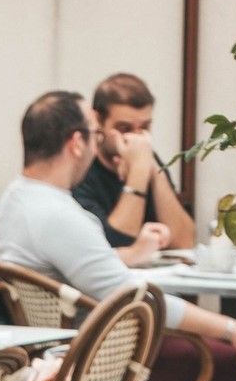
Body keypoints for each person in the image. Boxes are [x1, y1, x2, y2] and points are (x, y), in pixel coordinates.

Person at [0, 90, 236, 381]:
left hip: (73, 352)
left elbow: (89, 269)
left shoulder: (15, 200)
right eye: (96, 136)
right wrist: (232, 329)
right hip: (105, 364)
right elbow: (138, 298)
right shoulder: (57, 215)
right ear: (76, 143)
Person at [73, 72, 196, 253]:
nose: (137, 138)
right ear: (97, 120)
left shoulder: (147, 157)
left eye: (145, 128)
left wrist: (153, 170)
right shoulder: (80, 167)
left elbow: (184, 242)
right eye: (124, 128)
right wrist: (139, 171)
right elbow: (112, 246)